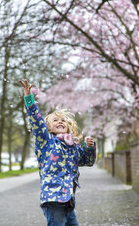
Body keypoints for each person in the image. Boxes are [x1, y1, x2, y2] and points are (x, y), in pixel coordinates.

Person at [19, 79, 96, 226]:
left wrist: (89, 148)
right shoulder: (46, 142)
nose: (60, 121)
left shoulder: (72, 146)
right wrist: (29, 99)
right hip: (53, 198)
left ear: (68, 126)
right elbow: (37, 122)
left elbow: (88, 161)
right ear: (48, 128)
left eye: (63, 120)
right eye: (55, 120)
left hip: (68, 200)